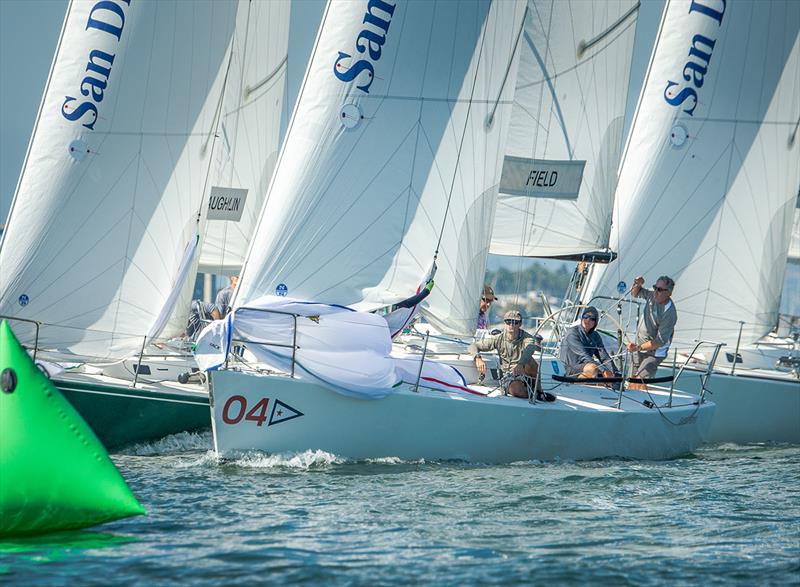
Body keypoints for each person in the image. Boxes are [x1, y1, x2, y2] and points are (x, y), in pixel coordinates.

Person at [468, 309, 542, 399]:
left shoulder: (527, 338)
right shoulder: (498, 339)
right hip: (508, 377)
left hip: (523, 372)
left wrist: (520, 364)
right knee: (517, 390)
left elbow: (530, 347)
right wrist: (477, 358)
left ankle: (539, 391)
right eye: (508, 321)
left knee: (531, 361)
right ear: (504, 323)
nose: (511, 325)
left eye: (515, 322)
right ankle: (534, 395)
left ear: (520, 324)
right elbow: (473, 346)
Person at [627, 275, 678, 380]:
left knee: (640, 380)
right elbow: (634, 293)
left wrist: (638, 348)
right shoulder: (652, 295)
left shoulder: (669, 313)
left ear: (669, 293)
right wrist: (637, 284)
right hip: (639, 346)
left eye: (659, 290)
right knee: (629, 379)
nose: (655, 291)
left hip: (654, 352)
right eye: (655, 287)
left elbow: (659, 342)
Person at [559, 306, 615, 379]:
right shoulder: (572, 333)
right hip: (568, 369)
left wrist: (615, 372)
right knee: (593, 368)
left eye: (592, 318)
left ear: (595, 322)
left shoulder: (595, 336)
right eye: (586, 316)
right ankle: (573, 384)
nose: (588, 320)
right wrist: (603, 370)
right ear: (582, 318)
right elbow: (584, 356)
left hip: (584, 368)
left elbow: (604, 357)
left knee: (608, 377)